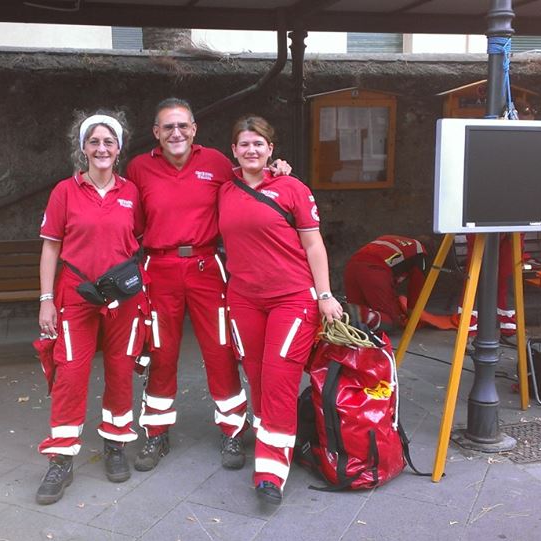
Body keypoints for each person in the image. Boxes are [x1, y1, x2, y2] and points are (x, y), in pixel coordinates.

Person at [125, 98, 290, 472]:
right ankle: (156, 431)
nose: (176, 133)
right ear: (156, 132)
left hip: (206, 265)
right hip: (159, 266)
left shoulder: (216, 162)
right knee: (161, 351)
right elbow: (126, 217)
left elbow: (252, 179)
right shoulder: (138, 168)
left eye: (182, 125)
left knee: (220, 349)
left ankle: (233, 429)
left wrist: (277, 170)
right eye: (168, 127)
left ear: (194, 129)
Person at [219, 115, 344, 505]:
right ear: (234, 151)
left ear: (271, 150)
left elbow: (314, 246)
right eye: (244, 144)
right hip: (243, 299)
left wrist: (324, 295)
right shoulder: (225, 189)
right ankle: (273, 438)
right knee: (256, 376)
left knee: (278, 380)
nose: (251, 149)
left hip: (291, 299)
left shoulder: (292, 188)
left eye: (259, 143)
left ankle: (270, 472)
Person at [35, 111, 147, 505]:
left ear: (119, 149)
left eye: (109, 142)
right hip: (76, 293)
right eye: (94, 142)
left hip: (122, 297)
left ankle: (115, 444)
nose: (102, 148)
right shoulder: (64, 191)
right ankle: (61, 457)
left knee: (120, 368)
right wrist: (46, 299)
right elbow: (51, 246)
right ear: (82, 148)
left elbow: (145, 236)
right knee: (70, 373)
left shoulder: (132, 192)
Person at [343, 235, 429, 333]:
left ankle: (340, 313)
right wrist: (412, 317)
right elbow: (416, 288)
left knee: (355, 319)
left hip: (351, 266)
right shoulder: (420, 253)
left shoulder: (395, 241)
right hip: (374, 269)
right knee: (390, 321)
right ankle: (358, 313)